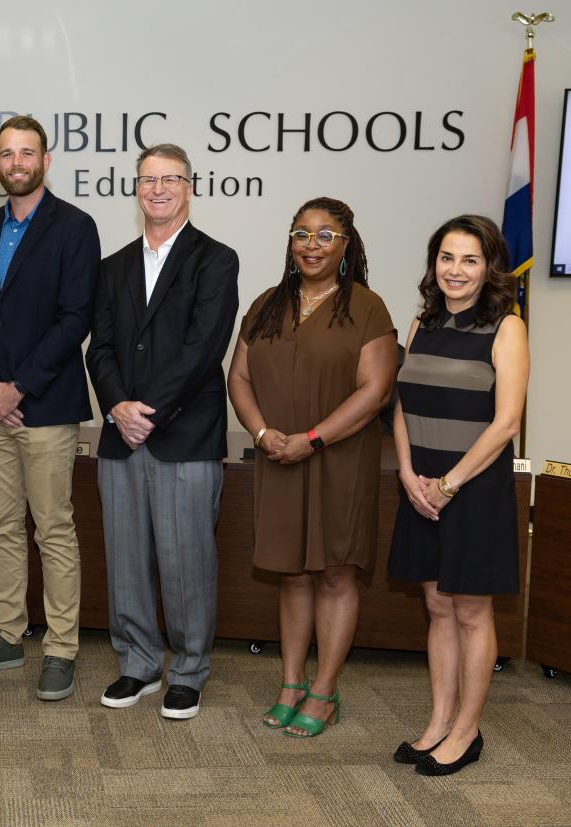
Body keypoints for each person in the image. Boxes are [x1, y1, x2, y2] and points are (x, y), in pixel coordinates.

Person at [227, 196, 396, 737]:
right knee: (292, 575)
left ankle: (324, 691)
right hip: (279, 457)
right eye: (302, 233)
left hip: (340, 459)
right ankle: (291, 683)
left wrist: (314, 439)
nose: (312, 244)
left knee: (335, 572)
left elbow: (375, 392)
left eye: (326, 235)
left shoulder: (368, 308)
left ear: (347, 245)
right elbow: (240, 378)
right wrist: (261, 434)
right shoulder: (266, 304)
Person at [0, 115, 101, 701]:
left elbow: (74, 318)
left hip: (47, 408)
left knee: (54, 530)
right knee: (2, 528)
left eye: (27, 153)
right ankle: (6, 634)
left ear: (46, 160)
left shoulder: (75, 227)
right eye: (7, 154)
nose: (17, 163)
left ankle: (60, 648)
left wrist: (20, 387)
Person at [86, 144, 239, 720]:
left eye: (169, 179)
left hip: (183, 434)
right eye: (148, 179)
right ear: (135, 188)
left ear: (189, 187)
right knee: (125, 558)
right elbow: (98, 347)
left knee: (185, 560)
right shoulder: (113, 266)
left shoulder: (216, 260)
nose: (158, 189)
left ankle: (190, 670)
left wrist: (146, 411)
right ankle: (138, 664)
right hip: (119, 436)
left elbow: (204, 350)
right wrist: (118, 407)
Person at [387, 215, 528, 776]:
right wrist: (406, 472)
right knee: (437, 606)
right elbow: (402, 403)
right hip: (420, 486)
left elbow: (507, 420)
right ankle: (439, 720)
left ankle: (467, 731)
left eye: (470, 259)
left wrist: (449, 485)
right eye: (447, 257)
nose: (455, 270)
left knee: (471, 612)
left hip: (473, 488)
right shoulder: (422, 322)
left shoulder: (507, 327)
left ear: (490, 267)